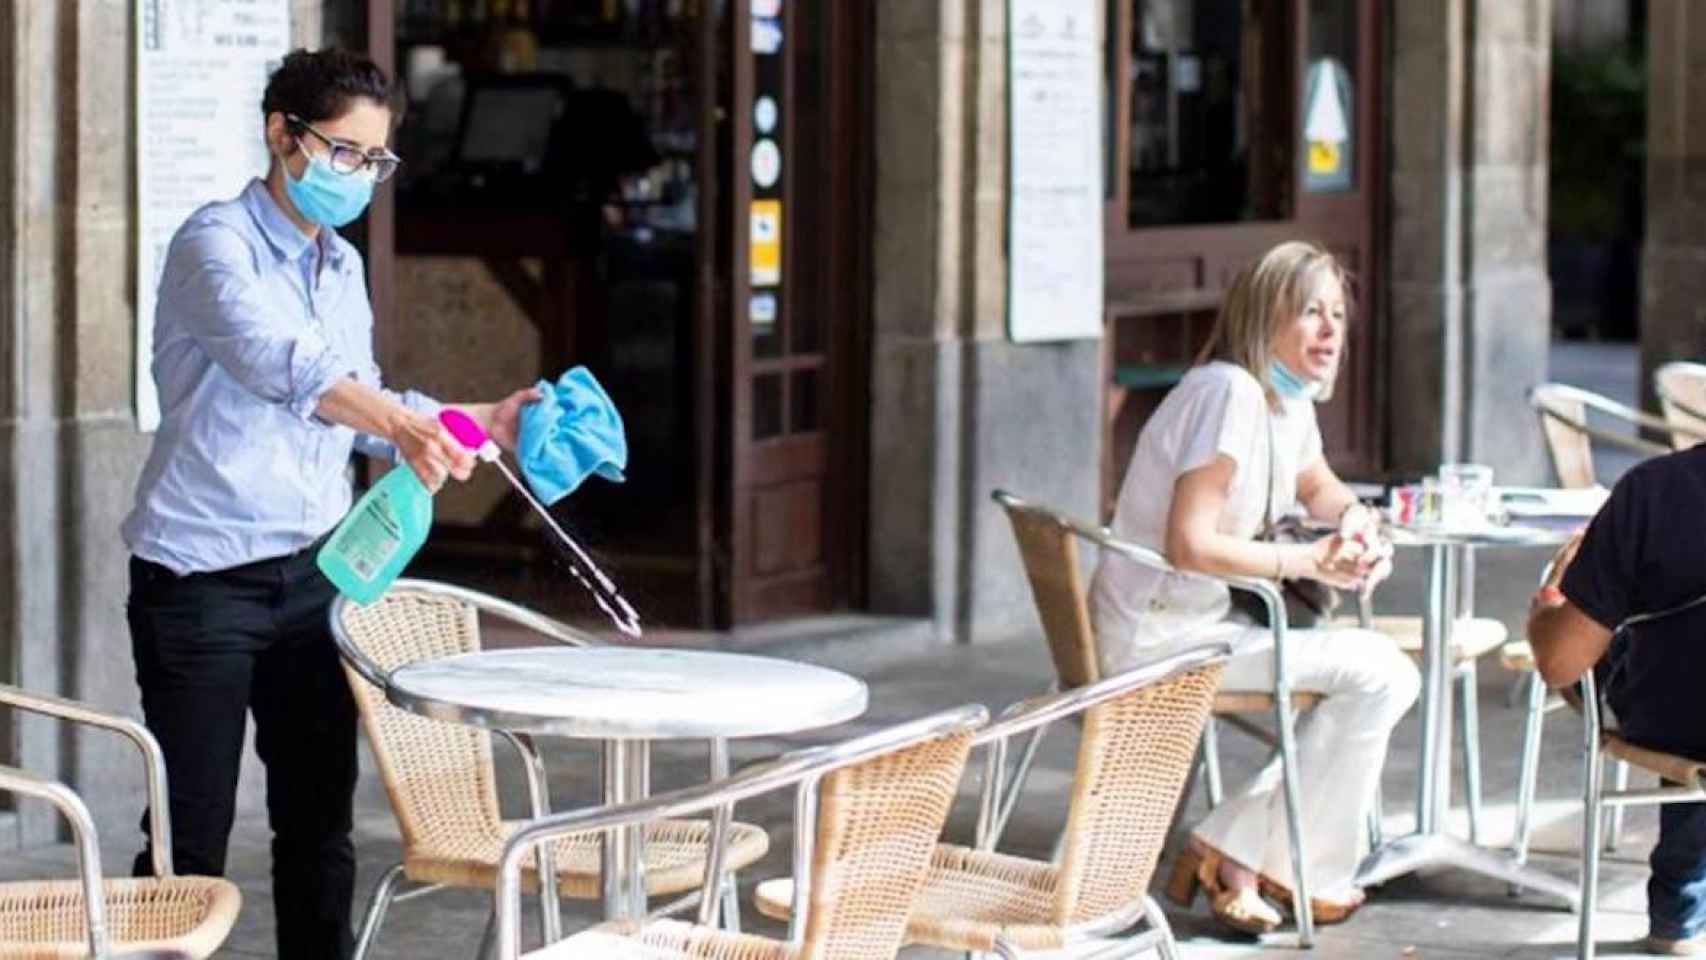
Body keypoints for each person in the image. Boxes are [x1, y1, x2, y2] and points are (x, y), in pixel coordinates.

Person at [121, 49, 539, 959]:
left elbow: (367, 411)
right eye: (345, 153)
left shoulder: (339, 268)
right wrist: (396, 417)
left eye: (375, 160)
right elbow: (289, 368)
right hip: (201, 583)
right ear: (282, 133)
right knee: (187, 842)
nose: (360, 175)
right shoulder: (213, 243)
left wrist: (485, 422)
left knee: (319, 828)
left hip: (319, 578)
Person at [1089, 241, 1419, 935]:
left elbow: (1315, 481)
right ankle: (1272, 859)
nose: (1331, 330)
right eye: (1310, 312)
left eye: (1337, 313)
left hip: (1195, 627)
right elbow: (1190, 543)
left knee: (1375, 673)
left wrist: (1356, 521)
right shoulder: (1230, 394)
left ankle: (1238, 848)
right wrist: (1310, 564)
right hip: (1163, 641)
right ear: (1264, 318)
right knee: (1382, 674)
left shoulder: (1281, 398)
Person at [1528, 444, 1706, 956]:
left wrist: (1547, 605)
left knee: (1672, 674)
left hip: (1673, 714)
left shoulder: (1655, 490)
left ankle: (1678, 918)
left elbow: (1560, 663)